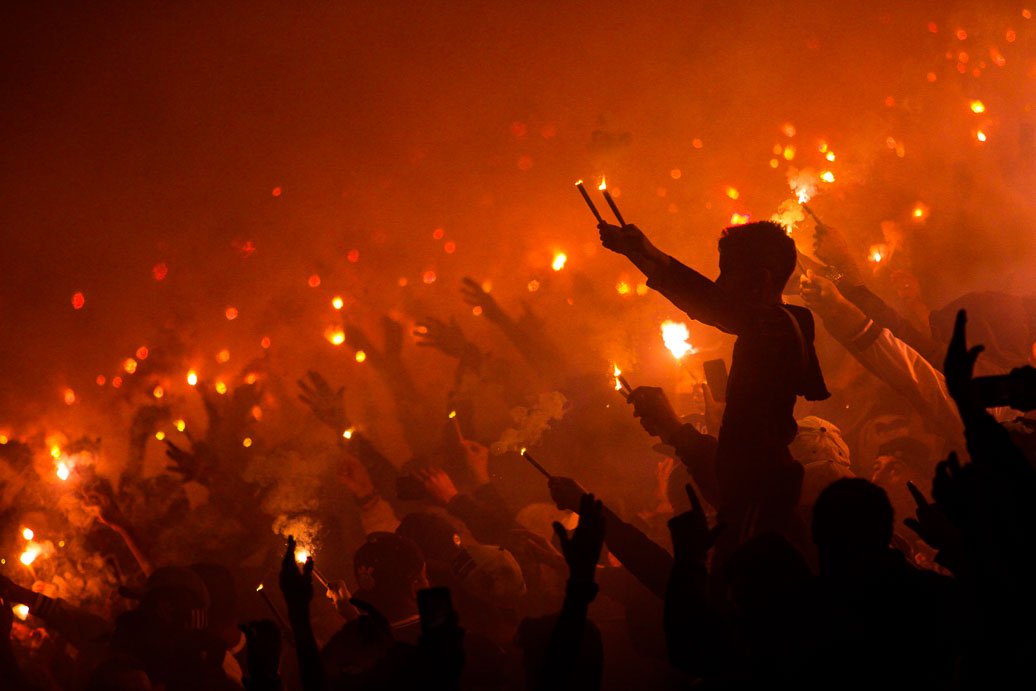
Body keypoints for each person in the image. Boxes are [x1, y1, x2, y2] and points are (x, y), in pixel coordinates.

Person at [599, 220, 829, 557]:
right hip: (758, 485)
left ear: (762, 280)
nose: (719, 283)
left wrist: (651, 255)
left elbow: (716, 308)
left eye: (727, 273)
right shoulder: (771, 326)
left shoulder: (778, 325)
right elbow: (717, 307)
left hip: (763, 493)